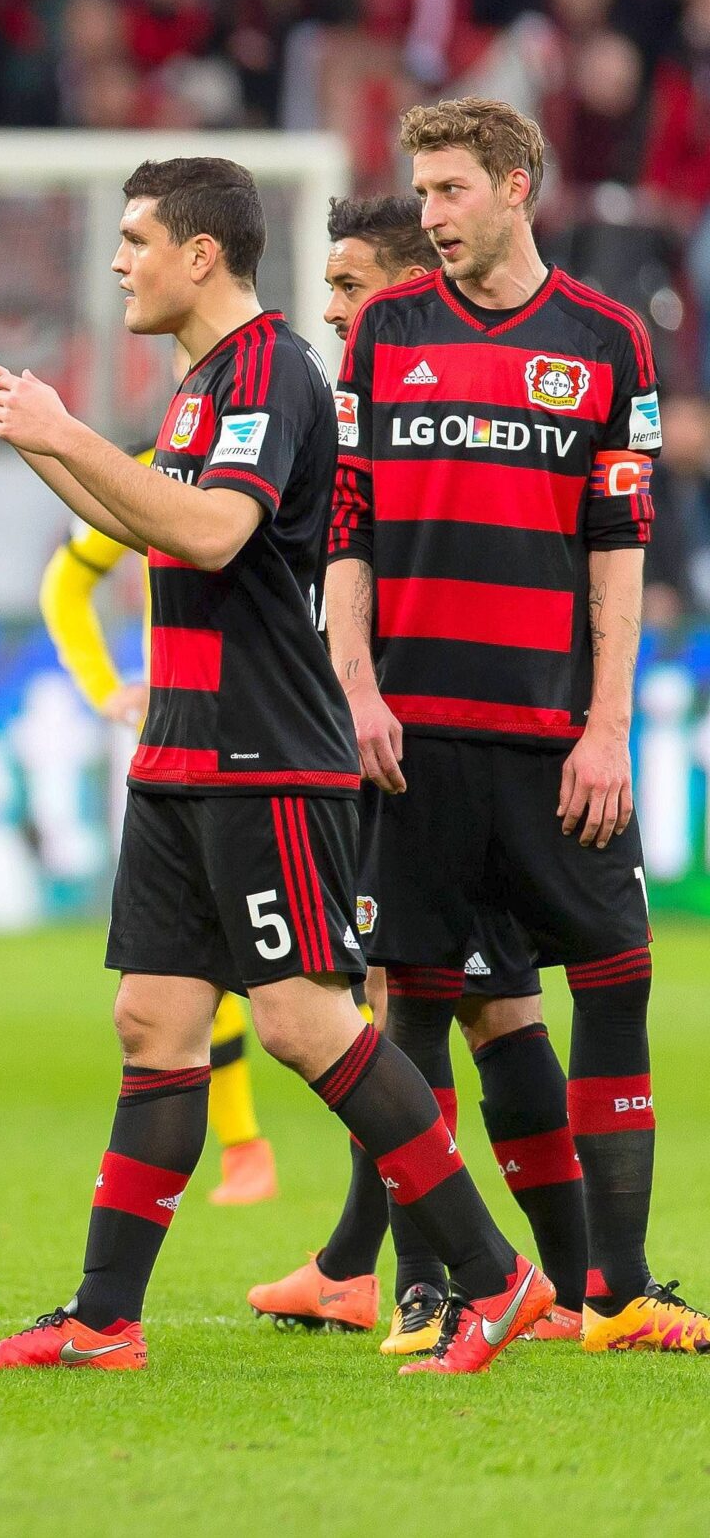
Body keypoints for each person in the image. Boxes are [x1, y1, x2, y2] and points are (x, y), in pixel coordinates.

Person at [0, 157, 545, 1376]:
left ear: (201, 253)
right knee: (152, 1019)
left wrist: (63, 432)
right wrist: (30, 438)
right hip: (182, 751)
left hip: (261, 751)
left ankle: (494, 1279)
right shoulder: (204, 379)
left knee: (301, 1021)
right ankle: (104, 1320)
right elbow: (150, 518)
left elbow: (216, 530)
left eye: (135, 238)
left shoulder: (271, 366)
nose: (118, 260)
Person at [328, 97, 710, 1355]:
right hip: (411, 741)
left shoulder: (604, 342)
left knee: (614, 979)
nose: (427, 215)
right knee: (412, 1003)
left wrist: (607, 727)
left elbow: (620, 548)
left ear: (515, 184)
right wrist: (357, 689)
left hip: (555, 743)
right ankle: (435, 1289)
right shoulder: (383, 332)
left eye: (447, 191)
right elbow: (350, 531)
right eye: (421, 192)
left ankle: (616, 1291)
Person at [248, 193, 579, 1350]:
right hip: (404, 724)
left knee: (454, 998)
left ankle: (484, 1282)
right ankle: (390, 1268)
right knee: (451, 996)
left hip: (441, 731)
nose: (326, 309)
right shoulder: (362, 397)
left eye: (347, 287)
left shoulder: (417, 404)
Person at [38, 430, 278, 1211]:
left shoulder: (295, 445)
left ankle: (382, 1219)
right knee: (191, 965)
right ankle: (246, 1149)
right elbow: (64, 587)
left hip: (293, 744)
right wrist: (108, 689)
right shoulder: (151, 467)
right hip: (185, 747)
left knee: (341, 989)